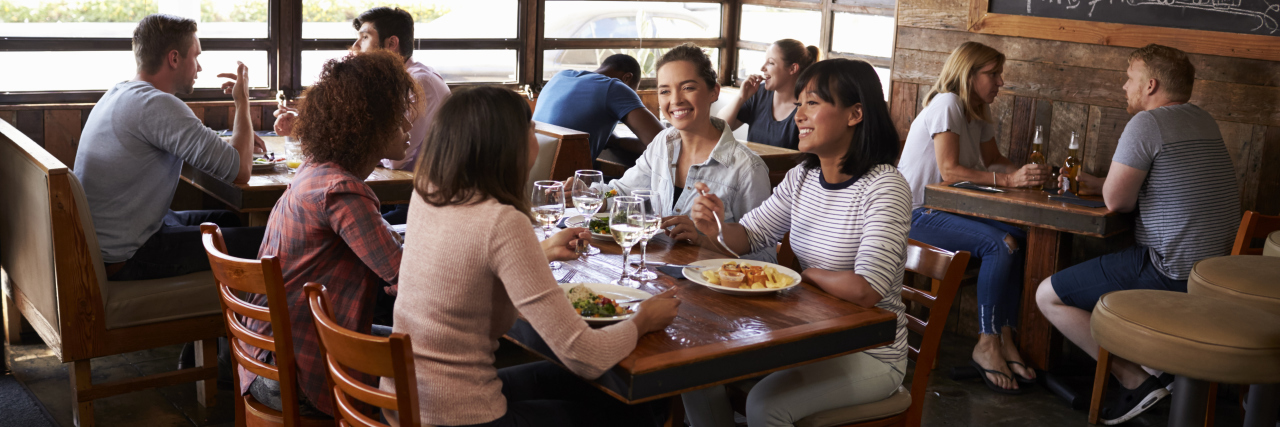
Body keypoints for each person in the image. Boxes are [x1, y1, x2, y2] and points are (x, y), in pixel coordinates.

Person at [391, 86, 680, 427]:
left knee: (590, 388)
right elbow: (584, 355)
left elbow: (466, 271)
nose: (536, 137)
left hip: (409, 399)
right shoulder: (501, 221)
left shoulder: (429, 194)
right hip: (461, 414)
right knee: (632, 406)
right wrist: (644, 318)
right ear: (506, 145)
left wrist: (538, 253)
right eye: (531, 129)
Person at [681, 58, 912, 427]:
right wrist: (715, 226)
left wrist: (806, 276)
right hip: (809, 334)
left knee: (765, 406)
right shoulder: (802, 177)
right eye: (799, 103)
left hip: (870, 352)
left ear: (855, 114)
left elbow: (866, 289)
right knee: (692, 370)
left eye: (813, 103)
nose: (798, 115)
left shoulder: (885, 186)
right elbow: (749, 236)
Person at [1036, 44, 1238, 425]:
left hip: (1170, 272)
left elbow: (1118, 200)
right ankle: (1162, 373)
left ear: (1150, 85)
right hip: (1213, 277)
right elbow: (1136, 183)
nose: (1122, 86)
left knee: (1047, 296)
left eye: (1129, 78)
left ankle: (1138, 382)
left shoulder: (1147, 124)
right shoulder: (1202, 119)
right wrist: (1091, 183)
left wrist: (1105, 188)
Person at [238, 50, 419, 417]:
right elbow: (406, 276)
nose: (408, 124)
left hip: (264, 355)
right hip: (298, 369)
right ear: (370, 123)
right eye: (399, 115)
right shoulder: (340, 191)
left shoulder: (315, 169)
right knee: (438, 372)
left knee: (413, 352)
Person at [896, 41, 1048, 393]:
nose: (1000, 81)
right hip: (915, 214)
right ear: (968, 74)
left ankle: (1005, 336)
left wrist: (1033, 176)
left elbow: (994, 161)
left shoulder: (975, 111)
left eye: (999, 74)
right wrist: (1009, 181)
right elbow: (949, 170)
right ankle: (986, 342)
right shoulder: (947, 103)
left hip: (946, 210)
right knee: (1001, 245)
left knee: (1021, 238)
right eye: (993, 74)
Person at [74, 13, 267, 282]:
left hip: (110, 242)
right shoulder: (158, 105)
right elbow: (241, 171)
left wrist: (237, 141)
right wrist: (243, 101)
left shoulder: (120, 93)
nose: (199, 68)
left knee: (229, 219)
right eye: (196, 56)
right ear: (174, 58)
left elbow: (196, 143)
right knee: (266, 239)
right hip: (130, 254)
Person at [569, 43, 772, 260]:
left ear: (714, 92)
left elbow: (764, 258)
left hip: (709, 288)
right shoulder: (663, 142)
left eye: (688, 87)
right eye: (665, 91)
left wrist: (704, 238)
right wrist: (589, 193)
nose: (675, 100)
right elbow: (622, 192)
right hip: (658, 273)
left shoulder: (748, 169)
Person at [274, 7, 450, 225]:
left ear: (391, 43)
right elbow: (364, 137)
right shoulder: (384, 82)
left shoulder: (418, 82)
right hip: (394, 191)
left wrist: (361, 146)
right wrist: (305, 124)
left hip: (421, 198)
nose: (355, 46)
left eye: (365, 37)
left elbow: (397, 160)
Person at [532, 53, 665, 167]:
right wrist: (618, 142)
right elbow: (664, 143)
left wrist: (613, 141)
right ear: (627, 78)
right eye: (634, 91)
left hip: (528, 171)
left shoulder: (560, 76)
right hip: (564, 183)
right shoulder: (614, 87)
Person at [717, 39, 818, 150]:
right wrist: (741, 97)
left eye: (770, 63)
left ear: (792, 68)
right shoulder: (758, 93)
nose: (762, 68)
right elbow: (718, 128)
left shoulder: (810, 106)